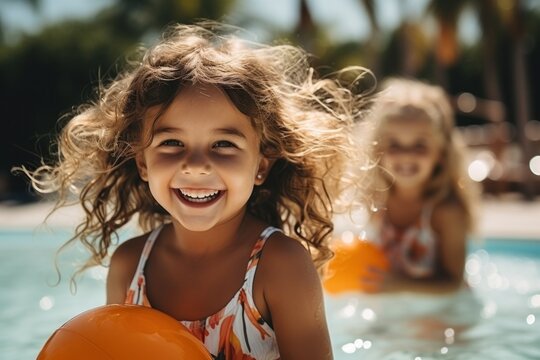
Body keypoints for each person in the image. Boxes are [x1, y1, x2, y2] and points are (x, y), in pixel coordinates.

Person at [17, 22, 371, 359]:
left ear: (261, 165)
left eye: (223, 144)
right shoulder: (129, 268)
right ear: (142, 162)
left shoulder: (280, 267)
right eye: (172, 142)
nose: (196, 164)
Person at [359, 77, 479, 294]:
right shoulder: (377, 199)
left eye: (419, 145)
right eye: (394, 144)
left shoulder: (445, 211)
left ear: (441, 153)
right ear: (378, 150)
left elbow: (453, 282)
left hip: (446, 314)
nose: (406, 156)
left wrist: (399, 286)